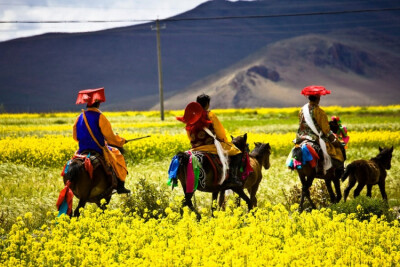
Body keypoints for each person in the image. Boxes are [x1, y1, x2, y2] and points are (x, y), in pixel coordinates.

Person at [177, 94, 243, 187]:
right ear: (207, 104)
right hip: (211, 147)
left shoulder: (191, 116)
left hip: (195, 148)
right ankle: (232, 177)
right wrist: (225, 141)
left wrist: (195, 144)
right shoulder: (210, 115)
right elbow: (219, 131)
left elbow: (189, 133)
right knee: (237, 153)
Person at [73, 87, 131, 194]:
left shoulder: (79, 117)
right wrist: (121, 141)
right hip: (98, 149)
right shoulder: (100, 117)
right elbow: (110, 137)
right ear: (98, 103)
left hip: (82, 150)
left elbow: (75, 137)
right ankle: (121, 186)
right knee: (117, 155)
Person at [295, 85, 344, 174]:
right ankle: (335, 172)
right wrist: (334, 140)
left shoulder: (302, 110)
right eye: (319, 97)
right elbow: (326, 130)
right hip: (315, 137)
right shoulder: (319, 112)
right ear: (317, 98)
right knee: (337, 151)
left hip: (301, 137)